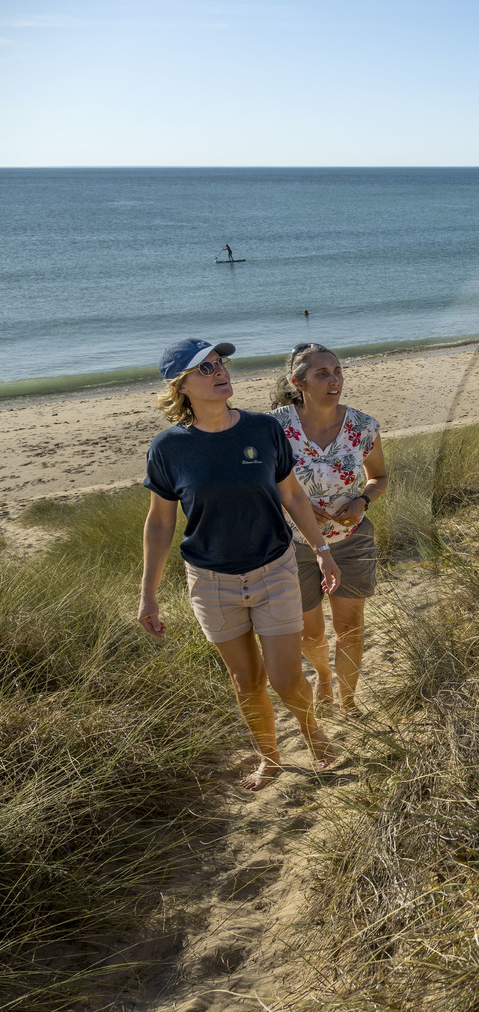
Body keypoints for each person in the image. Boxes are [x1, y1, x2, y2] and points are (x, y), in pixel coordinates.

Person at [138, 338, 340, 791]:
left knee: (288, 680)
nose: (219, 372)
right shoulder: (168, 449)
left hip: (274, 569)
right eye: (204, 370)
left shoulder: (262, 430)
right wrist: (148, 593)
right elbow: (160, 522)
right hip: (211, 581)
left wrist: (322, 550)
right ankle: (270, 759)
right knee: (246, 682)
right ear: (181, 386)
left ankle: (314, 736)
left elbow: (291, 494)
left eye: (219, 363)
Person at [269, 343, 386, 718]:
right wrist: (298, 507)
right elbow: (260, 483)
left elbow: (379, 477)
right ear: (297, 382)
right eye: (322, 374)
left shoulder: (363, 426)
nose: (334, 380)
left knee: (350, 626)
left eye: (337, 371)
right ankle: (322, 674)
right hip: (294, 545)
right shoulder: (274, 427)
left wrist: (362, 502)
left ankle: (348, 702)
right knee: (311, 633)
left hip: (350, 540)